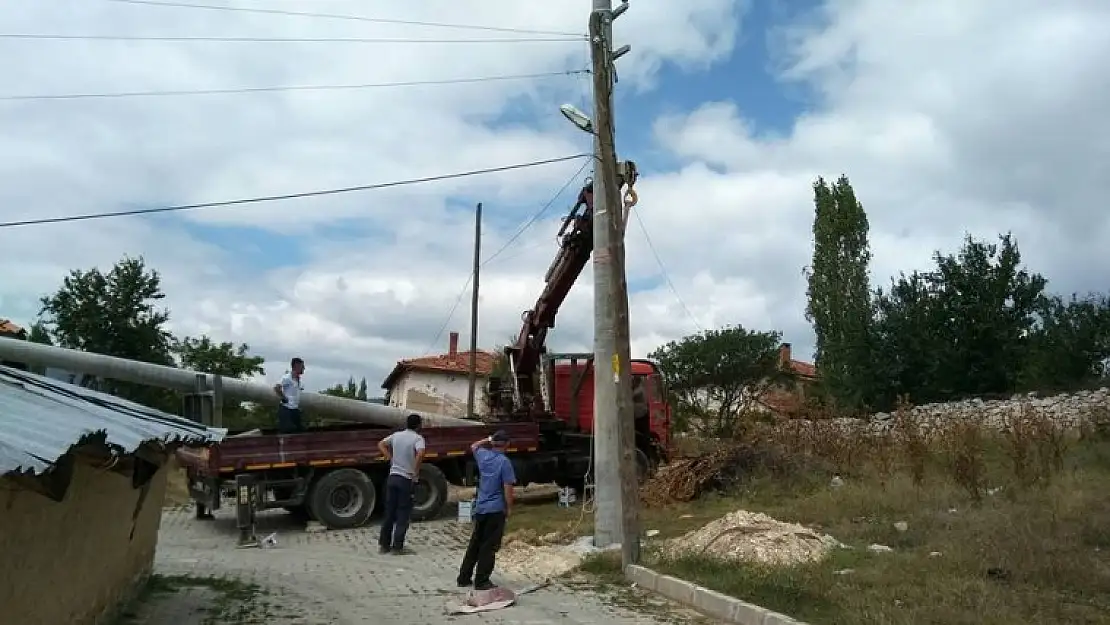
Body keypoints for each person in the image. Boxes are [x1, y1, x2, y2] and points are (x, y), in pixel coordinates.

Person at [457, 430, 516, 590]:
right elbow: (507, 487)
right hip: (495, 509)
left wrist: (488, 439)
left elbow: (474, 445)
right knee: (489, 546)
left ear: (493, 443)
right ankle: (482, 580)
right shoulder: (504, 462)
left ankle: (464, 577)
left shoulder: (483, 456)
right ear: (507, 445)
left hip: (481, 507)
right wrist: (509, 507)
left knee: (475, 543)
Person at [377, 413, 426, 555]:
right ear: (418, 425)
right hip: (405, 479)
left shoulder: (396, 435)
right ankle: (397, 547)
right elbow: (421, 453)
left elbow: (380, 444)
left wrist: (389, 457)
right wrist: (414, 472)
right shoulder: (418, 439)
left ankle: (384, 545)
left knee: (389, 512)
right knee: (403, 512)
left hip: (392, 477)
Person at [273, 357, 305, 433]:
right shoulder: (287, 378)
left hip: (294, 409)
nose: (304, 368)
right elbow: (277, 387)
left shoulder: (298, 379)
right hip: (286, 409)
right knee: (288, 430)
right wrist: (283, 398)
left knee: (300, 430)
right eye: (302, 366)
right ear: (296, 366)